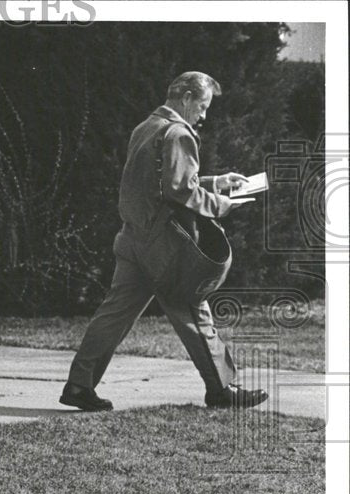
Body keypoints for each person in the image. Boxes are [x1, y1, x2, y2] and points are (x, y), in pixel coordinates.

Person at [60, 71, 268, 412]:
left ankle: (79, 385)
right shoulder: (178, 133)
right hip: (163, 246)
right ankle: (222, 390)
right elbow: (179, 189)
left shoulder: (148, 127)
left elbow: (163, 181)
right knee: (193, 308)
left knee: (113, 315)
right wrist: (223, 205)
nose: (204, 115)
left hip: (132, 238)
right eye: (202, 106)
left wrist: (216, 182)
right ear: (186, 98)